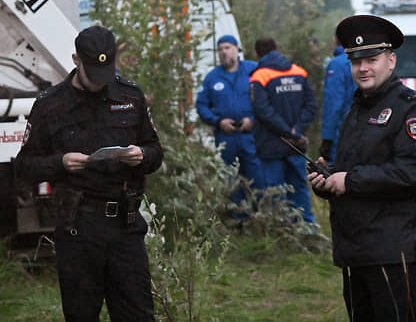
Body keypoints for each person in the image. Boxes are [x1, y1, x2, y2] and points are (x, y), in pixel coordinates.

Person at [15, 25, 163, 321]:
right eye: (93, 72)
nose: (99, 83)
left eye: (105, 72)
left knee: (138, 314)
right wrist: (60, 163)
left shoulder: (130, 96)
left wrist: (142, 155)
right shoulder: (50, 105)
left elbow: (155, 152)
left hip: (126, 226)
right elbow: (25, 166)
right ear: (75, 60)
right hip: (79, 227)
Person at [309, 15, 416, 322]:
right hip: (356, 249)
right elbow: (354, 168)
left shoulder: (413, 110)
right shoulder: (356, 110)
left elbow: (414, 171)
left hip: (393, 250)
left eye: (372, 59)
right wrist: (327, 179)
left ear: (391, 61)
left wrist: (350, 181)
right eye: (356, 61)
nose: (363, 68)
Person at [249, 37, 318, 222]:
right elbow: (311, 106)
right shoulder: (298, 72)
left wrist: (286, 132)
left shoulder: (259, 76)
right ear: (277, 49)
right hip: (297, 143)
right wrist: (297, 131)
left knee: (275, 190)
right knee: (299, 188)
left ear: (256, 54)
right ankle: (307, 229)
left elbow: (262, 110)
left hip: (271, 145)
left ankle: (281, 231)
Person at [195, 34, 265, 215]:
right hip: (226, 138)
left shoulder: (253, 70)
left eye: (227, 48)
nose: (223, 52)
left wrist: (253, 120)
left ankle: (260, 216)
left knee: (256, 177)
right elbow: (201, 105)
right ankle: (237, 219)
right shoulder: (212, 77)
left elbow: (266, 100)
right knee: (230, 179)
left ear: (237, 48)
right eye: (220, 49)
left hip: (250, 135)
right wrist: (218, 121)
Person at [319, 34, 355, 163]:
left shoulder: (337, 64)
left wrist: (327, 138)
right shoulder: (364, 60)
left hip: (342, 131)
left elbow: (333, 104)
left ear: (336, 40)